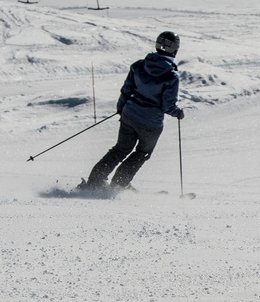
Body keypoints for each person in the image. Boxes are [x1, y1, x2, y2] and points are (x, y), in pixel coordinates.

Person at [78, 31, 185, 190]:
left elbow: (126, 90)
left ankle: (94, 182)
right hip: (151, 123)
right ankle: (118, 184)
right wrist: (178, 113)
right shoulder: (171, 76)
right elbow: (167, 106)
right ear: (175, 49)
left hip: (129, 115)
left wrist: (121, 109)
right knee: (142, 153)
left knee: (120, 150)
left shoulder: (139, 65)